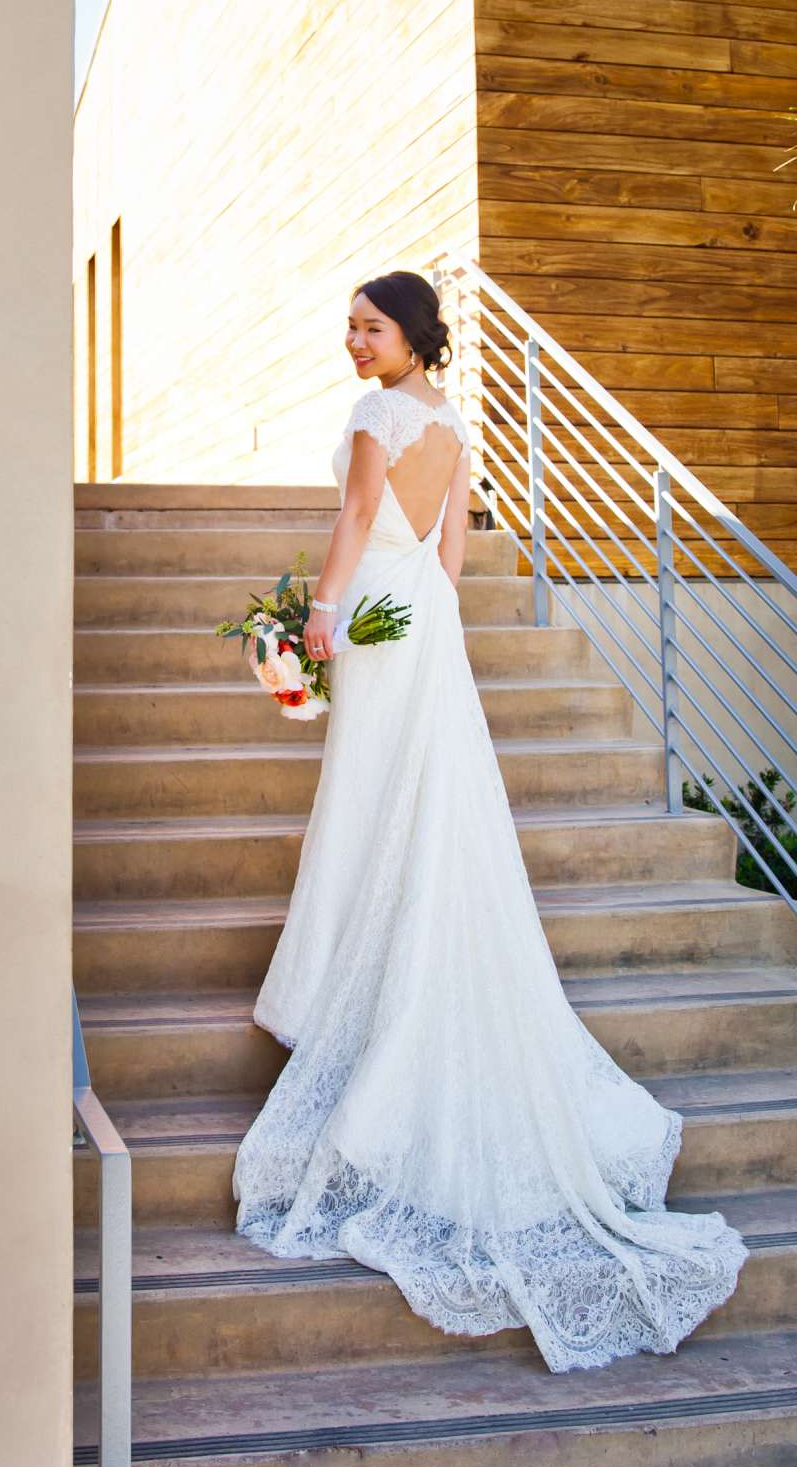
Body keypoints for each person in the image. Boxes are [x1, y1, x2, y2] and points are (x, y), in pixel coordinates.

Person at [231, 268, 748, 1373]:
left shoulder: (376, 416)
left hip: (375, 617)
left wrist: (319, 614)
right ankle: (386, 981)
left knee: (373, 801)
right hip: (423, 621)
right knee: (420, 802)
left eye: (370, 327)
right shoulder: (453, 429)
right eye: (349, 328)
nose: (353, 344)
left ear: (413, 336)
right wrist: (388, 611)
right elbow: (448, 558)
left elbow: (359, 514)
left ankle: (358, 1007)